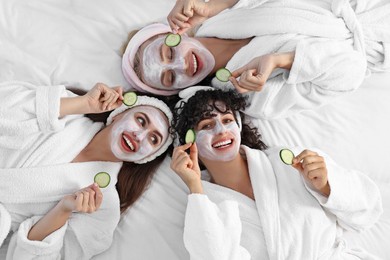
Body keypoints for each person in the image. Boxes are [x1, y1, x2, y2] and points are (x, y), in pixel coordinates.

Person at [169, 86, 383, 259]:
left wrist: (326, 186)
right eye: (206, 125)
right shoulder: (206, 207)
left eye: (227, 120)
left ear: (239, 125)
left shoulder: (291, 162)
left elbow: (368, 210)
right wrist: (195, 186)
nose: (221, 130)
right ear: (189, 142)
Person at [121, 0, 389, 119]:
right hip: (379, 41)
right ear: (177, 90)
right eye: (170, 78)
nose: (182, 65)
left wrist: (214, 5)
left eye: (168, 53)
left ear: (174, 33)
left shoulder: (216, 18)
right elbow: (352, 73)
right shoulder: (249, 96)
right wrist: (281, 61)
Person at [0, 81, 173, 259]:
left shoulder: (103, 207)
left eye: (153, 140)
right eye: (141, 120)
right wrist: (83, 104)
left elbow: (32, 256)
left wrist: (63, 210)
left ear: (145, 158)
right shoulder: (68, 111)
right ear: (117, 115)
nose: (139, 136)